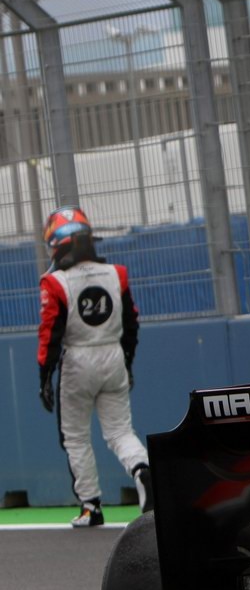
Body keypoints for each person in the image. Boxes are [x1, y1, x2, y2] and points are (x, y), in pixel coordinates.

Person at [36, 206, 152, 528]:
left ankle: (91, 506)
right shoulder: (118, 274)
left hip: (77, 362)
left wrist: (44, 377)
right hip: (113, 355)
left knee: (75, 438)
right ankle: (142, 470)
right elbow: (132, 323)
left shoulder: (55, 282)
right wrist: (127, 361)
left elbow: (50, 334)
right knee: (119, 431)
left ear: (57, 244)